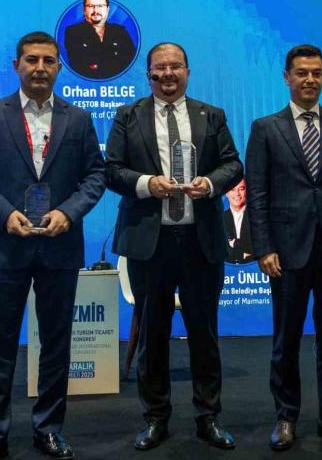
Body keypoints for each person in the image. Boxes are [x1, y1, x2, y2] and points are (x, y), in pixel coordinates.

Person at [0, 31, 105, 460]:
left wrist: (69, 212)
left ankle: (49, 429)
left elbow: (96, 176)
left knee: (56, 345)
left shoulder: (79, 119)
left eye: (48, 61)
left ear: (59, 67)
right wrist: (4, 214)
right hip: (7, 247)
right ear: (16, 65)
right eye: (32, 60)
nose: (40, 68)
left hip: (60, 247)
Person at [105, 42, 243, 451]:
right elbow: (110, 170)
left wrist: (211, 183)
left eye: (176, 66)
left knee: (205, 334)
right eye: (160, 68)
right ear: (148, 73)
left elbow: (233, 164)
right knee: (152, 335)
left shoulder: (211, 115)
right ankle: (155, 418)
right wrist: (147, 184)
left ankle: (208, 417)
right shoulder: (127, 115)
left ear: (188, 71)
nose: (168, 74)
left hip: (200, 242)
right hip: (151, 243)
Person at [245, 44, 322, 451]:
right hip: (285, 251)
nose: (309, 80)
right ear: (287, 77)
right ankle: (285, 418)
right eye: (301, 73)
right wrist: (263, 247)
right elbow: (257, 194)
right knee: (286, 339)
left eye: (316, 73)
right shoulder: (265, 128)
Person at [63, 0, 136, 79]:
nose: (96, 10)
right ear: (84, 10)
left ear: (107, 9)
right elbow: (78, 64)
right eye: (91, 6)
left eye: (100, 6)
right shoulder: (73, 32)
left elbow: (130, 62)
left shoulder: (120, 31)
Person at [223, 179, 253, 264]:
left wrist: (233, 244)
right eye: (232, 189)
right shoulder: (221, 218)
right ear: (226, 192)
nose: (237, 193)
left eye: (241, 189)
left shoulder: (256, 217)